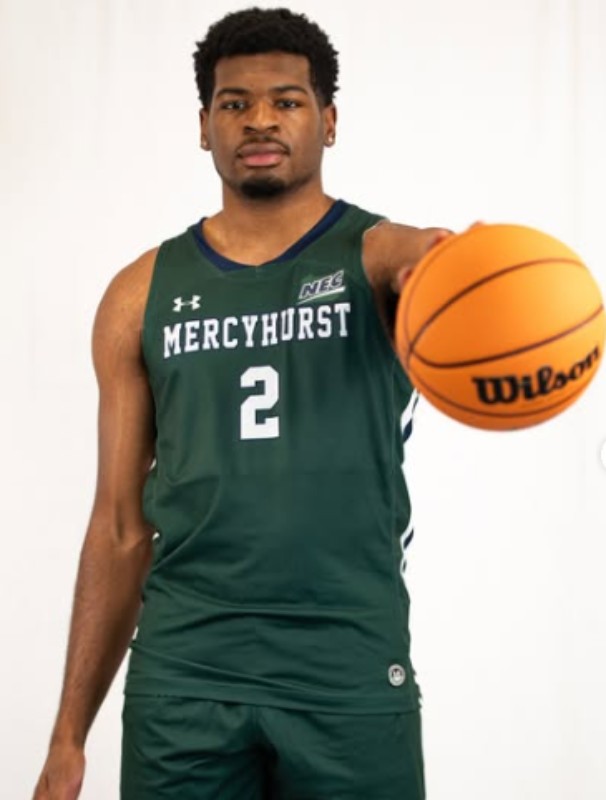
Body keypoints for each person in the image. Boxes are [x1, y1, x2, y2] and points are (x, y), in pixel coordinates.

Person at [33, 7, 451, 799]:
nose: (260, 119)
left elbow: (428, 253)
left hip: (346, 668)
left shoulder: (373, 258)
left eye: (287, 101)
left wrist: (450, 265)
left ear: (329, 121)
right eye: (234, 103)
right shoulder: (139, 295)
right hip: (183, 676)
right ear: (204, 126)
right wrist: (67, 737)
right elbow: (119, 526)